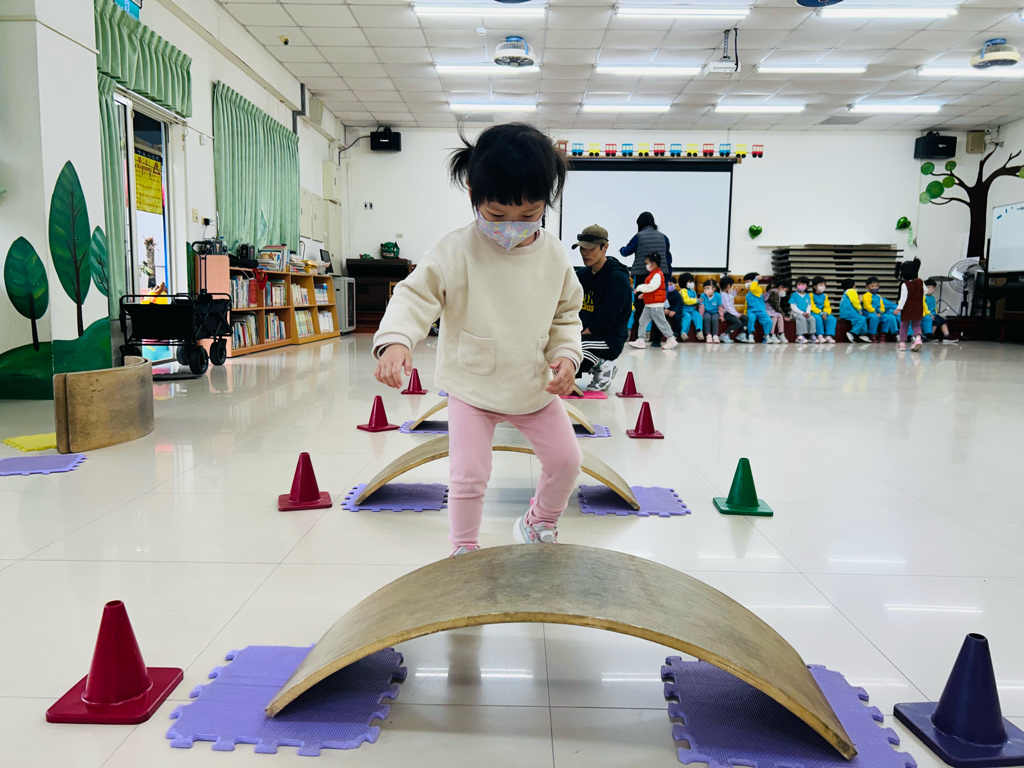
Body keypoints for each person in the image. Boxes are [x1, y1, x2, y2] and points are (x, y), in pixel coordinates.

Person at [373, 123, 584, 557]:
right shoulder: (454, 250)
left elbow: (566, 315)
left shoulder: (554, 255)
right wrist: (397, 341)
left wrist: (566, 355)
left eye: (529, 214)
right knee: (468, 474)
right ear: (473, 194)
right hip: (472, 386)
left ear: (547, 201)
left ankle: (540, 521)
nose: (513, 227)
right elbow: (415, 296)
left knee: (567, 461)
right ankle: (463, 548)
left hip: (533, 385)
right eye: (497, 215)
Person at [573, 224, 632, 390]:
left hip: (609, 339)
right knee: (558, 344)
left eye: (590, 249)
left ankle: (604, 367)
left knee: (572, 347)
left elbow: (604, 321)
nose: (585, 253)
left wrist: (574, 337)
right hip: (586, 334)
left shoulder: (617, 278)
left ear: (605, 247)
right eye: (582, 248)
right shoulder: (582, 275)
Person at [620, 212, 672, 342]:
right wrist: (667, 275)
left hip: (642, 275)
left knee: (640, 308)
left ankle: (639, 339)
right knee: (658, 308)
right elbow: (668, 258)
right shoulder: (664, 237)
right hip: (661, 274)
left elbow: (626, 252)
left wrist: (621, 249)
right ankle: (657, 340)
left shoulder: (639, 236)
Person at [628, 254, 677, 350]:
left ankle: (671, 338)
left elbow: (652, 287)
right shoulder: (653, 274)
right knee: (642, 321)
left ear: (653, 264)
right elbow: (653, 290)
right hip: (649, 304)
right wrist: (644, 295)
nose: (646, 265)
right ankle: (640, 340)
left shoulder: (658, 275)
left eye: (647, 263)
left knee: (661, 322)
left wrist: (639, 288)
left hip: (656, 305)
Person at [895, 258, 925, 352]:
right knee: (916, 325)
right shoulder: (920, 282)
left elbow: (903, 298)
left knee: (904, 325)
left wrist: (899, 308)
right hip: (918, 307)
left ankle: (902, 344)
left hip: (907, 308)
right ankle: (918, 339)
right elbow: (926, 291)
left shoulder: (905, 285)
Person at [861, 276, 898, 342]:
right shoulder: (866, 295)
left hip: (878, 313)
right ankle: (872, 335)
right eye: (872, 286)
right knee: (874, 318)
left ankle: (883, 334)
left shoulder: (879, 296)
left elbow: (882, 306)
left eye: (876, 286)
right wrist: (875, 313)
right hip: (868, 312)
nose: (875, 288)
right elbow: (867, 306)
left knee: (888, 317)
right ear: (867, 287)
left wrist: (881, 312)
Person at [922, 279, 957, 343]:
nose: (930, 289)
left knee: (942, 320)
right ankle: (930, 335)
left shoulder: (933, 298)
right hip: (927, 315)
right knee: (936, 321)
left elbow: (934, 307)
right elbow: (924, 308)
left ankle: (946, 335)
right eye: (928, 287)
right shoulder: (923, 297)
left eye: (933, 288)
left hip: (934, 314)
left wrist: (936, 312)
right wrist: (929, 315)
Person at [839, 278, 873, 343]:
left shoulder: (845, 293)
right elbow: (855, 302)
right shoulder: (851, 291)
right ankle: (852, 333)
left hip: (844, 313)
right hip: (849, 313)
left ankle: (864, 334)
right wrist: (859, 309)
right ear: (853, 286)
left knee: (863, 318)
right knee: (861, 319)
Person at [743, 272, 773, 344]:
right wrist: (745, 313)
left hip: (761, 311)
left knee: (768, 321)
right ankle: (750, 335)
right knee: (751, 318)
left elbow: (753, 288)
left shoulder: (758, 289)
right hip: (751, 311)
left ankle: (766, 335)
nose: (746, 283)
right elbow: (746, 305)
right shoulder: (747, 295)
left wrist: (756, 279)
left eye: (748, 281)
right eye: (745, 282)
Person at [719, 276, 748, 344]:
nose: (731, 286)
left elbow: (730, 298)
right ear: (728, 285)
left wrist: (734, 292)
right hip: (726, 313)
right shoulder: (722, 295)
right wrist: (737, 315)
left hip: (731, 312)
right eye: (731, 285)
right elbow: (728, 307)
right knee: (738, 322)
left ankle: (742, 334)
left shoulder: (727, 293)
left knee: (746, 318)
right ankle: (725, 334)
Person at [810, 275, 837, 343]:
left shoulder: (825, 295)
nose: (823, 286)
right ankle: (820, 335)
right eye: (821, 285)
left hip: (824, 313)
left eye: (824, 285)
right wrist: (820, 313)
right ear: (815, 286)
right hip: (814, 312)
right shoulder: (811, 295)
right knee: (818, 318)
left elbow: (827, 306)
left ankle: (828, 336)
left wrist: (825, 313)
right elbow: (812, 306)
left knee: (832, 319)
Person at [789, 276, 815, 343]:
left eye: (803, 284)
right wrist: (801, 313)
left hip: (805, 313)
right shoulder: (794, 295)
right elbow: (792, 306)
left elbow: (809, 305)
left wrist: (808, 312)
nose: (800, 286)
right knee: (802, 318)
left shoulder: (807, 295)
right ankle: (799, 336)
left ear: (807, 286)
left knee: (812, 319)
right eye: (799, 284)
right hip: (796, 314)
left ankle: (811, 335)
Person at [677, 273, 703, 341]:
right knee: (687, 317)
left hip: (692, 309)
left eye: (692, 281)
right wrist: (696, 301)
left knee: (698, 316)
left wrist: (698, 302)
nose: (692, 283)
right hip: (684, 309)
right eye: (690, 282)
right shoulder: (683, 291)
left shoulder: (693, 291)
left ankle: (699, 331)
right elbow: (686, 300)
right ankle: (683, 332)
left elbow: (695, 300)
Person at [766, 279, 790, 344]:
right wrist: (784, 315)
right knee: (775, 317)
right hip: (767, 310)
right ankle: (771, 334)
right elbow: (776, 306)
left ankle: (781, 333)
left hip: (771, 310)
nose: (784, 292)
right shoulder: (774, 293)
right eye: (785, 290)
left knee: (780, 316)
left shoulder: (775, 292)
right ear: (781, 287)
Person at [698, 279, 722, 343]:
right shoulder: (703, 295)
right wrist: (701, 315)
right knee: (707, 318)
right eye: (704, 288)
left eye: (708, 288)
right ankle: (708, 335)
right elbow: (701, 306)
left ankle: (715, 335)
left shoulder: (718, 295)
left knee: (715, 319)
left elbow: (720, 306)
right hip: (707, 312)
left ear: (714, 289)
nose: (706, 290)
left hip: (715, 312)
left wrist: (721, 316)